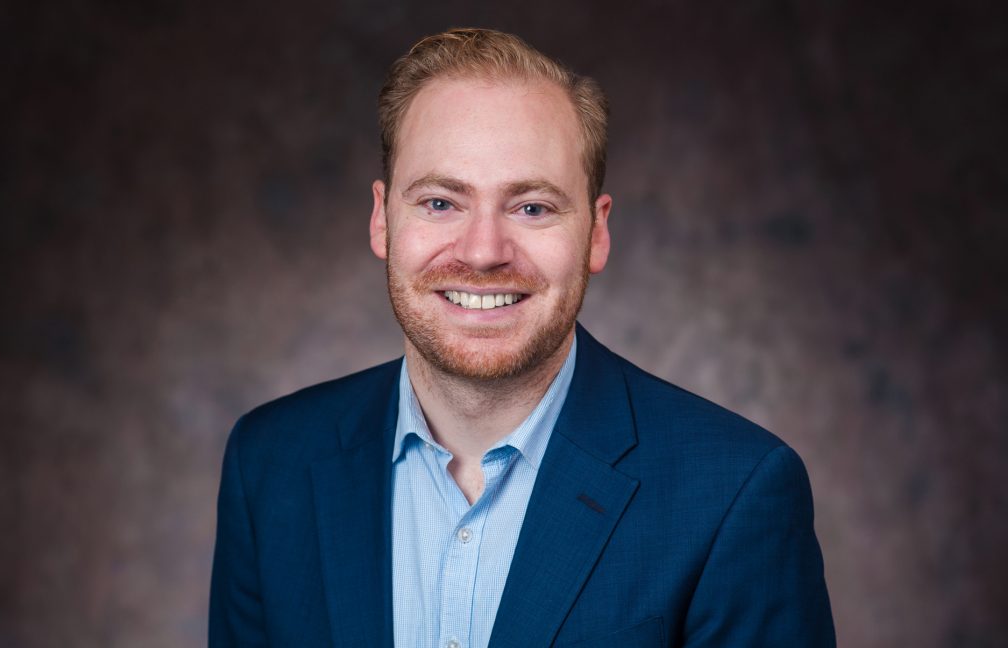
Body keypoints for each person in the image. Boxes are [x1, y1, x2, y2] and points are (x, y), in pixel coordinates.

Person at [209, 28, 835, 647]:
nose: (483, 253)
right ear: (382, 219)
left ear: (595, 232)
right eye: (439, 203)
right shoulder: (270, 463)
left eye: (532, 207)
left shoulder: (735, 491)